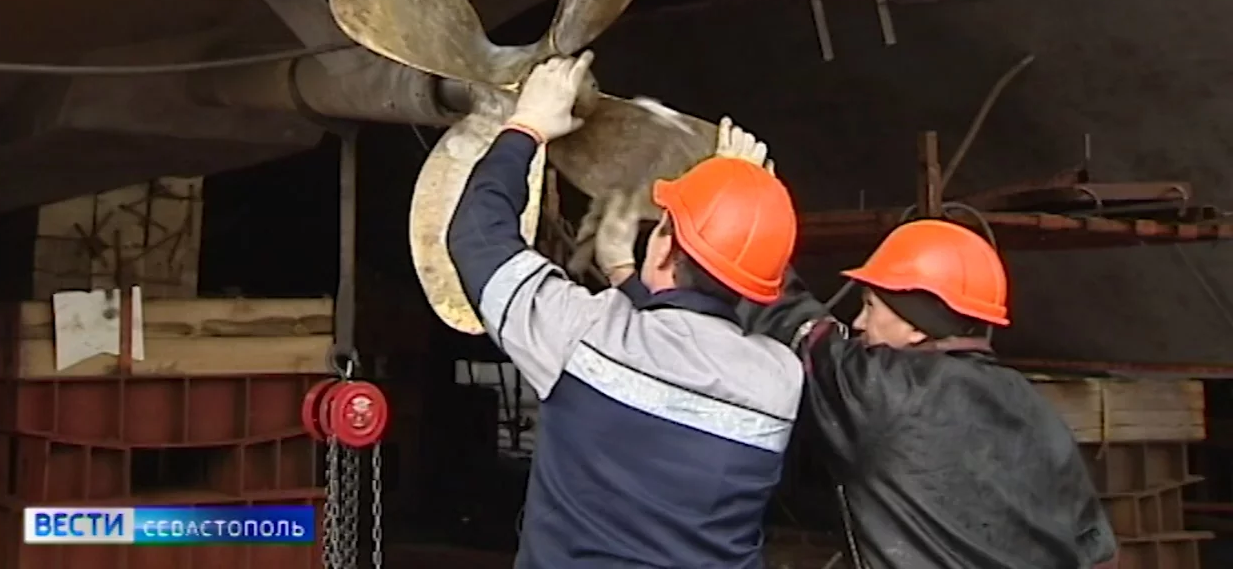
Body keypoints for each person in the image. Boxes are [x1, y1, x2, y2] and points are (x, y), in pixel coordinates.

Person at [446, 52, 804, 568]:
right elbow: (681, 353)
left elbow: (478, 236)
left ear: (665, 248)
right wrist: (735, 200)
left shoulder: (581, 336)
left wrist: (527, 125)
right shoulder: (780, 382)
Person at [708, 127, 1119, 569]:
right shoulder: (1035, 409)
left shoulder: (883, 391)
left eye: (871, 306)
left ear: (917, 328)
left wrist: (740, 198)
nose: (858, 323)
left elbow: (788, 318)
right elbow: (1097, 550)